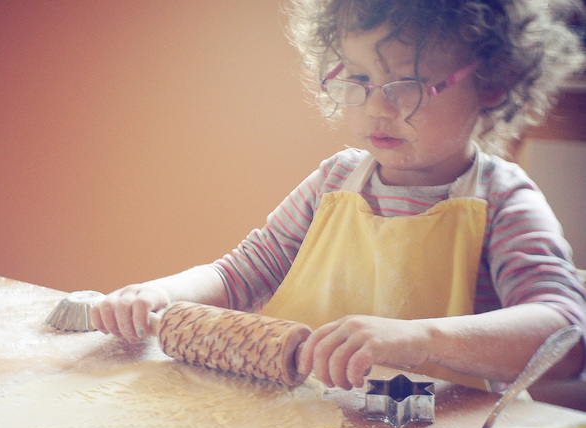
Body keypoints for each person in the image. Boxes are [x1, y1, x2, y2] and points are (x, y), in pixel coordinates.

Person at [92, 0, 586, 397]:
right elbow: (242, 273)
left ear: (493, 84)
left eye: (407, 85)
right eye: (359, 79)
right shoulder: (335, 181)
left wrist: (419, 339)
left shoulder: (502, 200)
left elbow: (565, 334)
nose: (376, 107)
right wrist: (159, 293)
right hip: (299, 417)